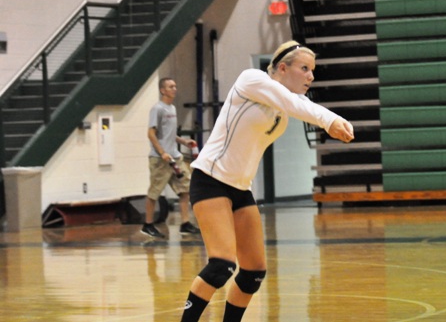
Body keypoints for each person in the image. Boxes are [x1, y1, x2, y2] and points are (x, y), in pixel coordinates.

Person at [179, 41, 355, 322]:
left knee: (253, 273)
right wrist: (329, 121)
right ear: (282, 68)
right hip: (211, 179)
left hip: (240, 188)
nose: (311, 76)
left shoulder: (287, 105)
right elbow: (294, 103)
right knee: (221, 266)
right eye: (304, 68)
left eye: (313, 70)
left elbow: (299, 105)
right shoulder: (252, 80)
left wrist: (334, 121)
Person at [141, 77, 201, 239]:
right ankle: (147, 225)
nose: (174, 89)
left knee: (185, 189)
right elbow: (151, 133)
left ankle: (185, 224)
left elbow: (169, 133)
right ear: (162, 90)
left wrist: (183, 141)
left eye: (175, 86)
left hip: (175, 157)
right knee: (154, 192)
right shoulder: (157, 109)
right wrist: (162, 152)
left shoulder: (172, 108)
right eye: (170, 86)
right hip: (161, 160)